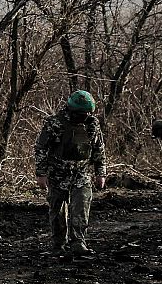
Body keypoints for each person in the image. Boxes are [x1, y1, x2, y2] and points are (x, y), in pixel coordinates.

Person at [34, 90, 107, 257]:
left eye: (87, 113)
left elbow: (98, 149)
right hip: (57, 175)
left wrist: (100, 173)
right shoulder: (54, 124)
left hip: (81, 175)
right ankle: (59, 243)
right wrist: (41, 173)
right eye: (81, 114)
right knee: (57, 212)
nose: (85, 117)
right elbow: (41, 149)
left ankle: (78, 242)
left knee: (81, 209)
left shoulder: (92, 125)